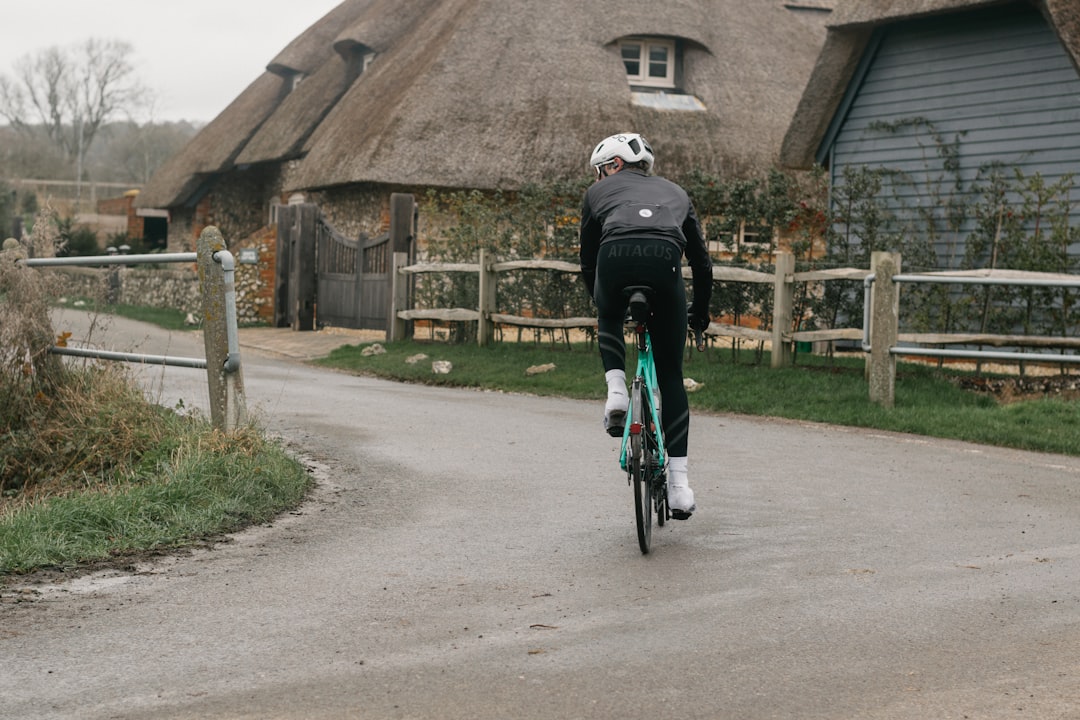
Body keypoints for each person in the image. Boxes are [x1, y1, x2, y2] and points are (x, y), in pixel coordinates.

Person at [579, 133, 713, 519]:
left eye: (601, 170)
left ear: (616, 164)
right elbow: (702, 264)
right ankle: (679, 488)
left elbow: (588, 260)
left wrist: (604, 300)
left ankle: (617, 392)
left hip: (614, 258)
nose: (600, 177)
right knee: (670, 375)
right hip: (664, 262)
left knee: (606, 309)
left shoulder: (595, 195)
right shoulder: (679, 193)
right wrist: (699, 312)